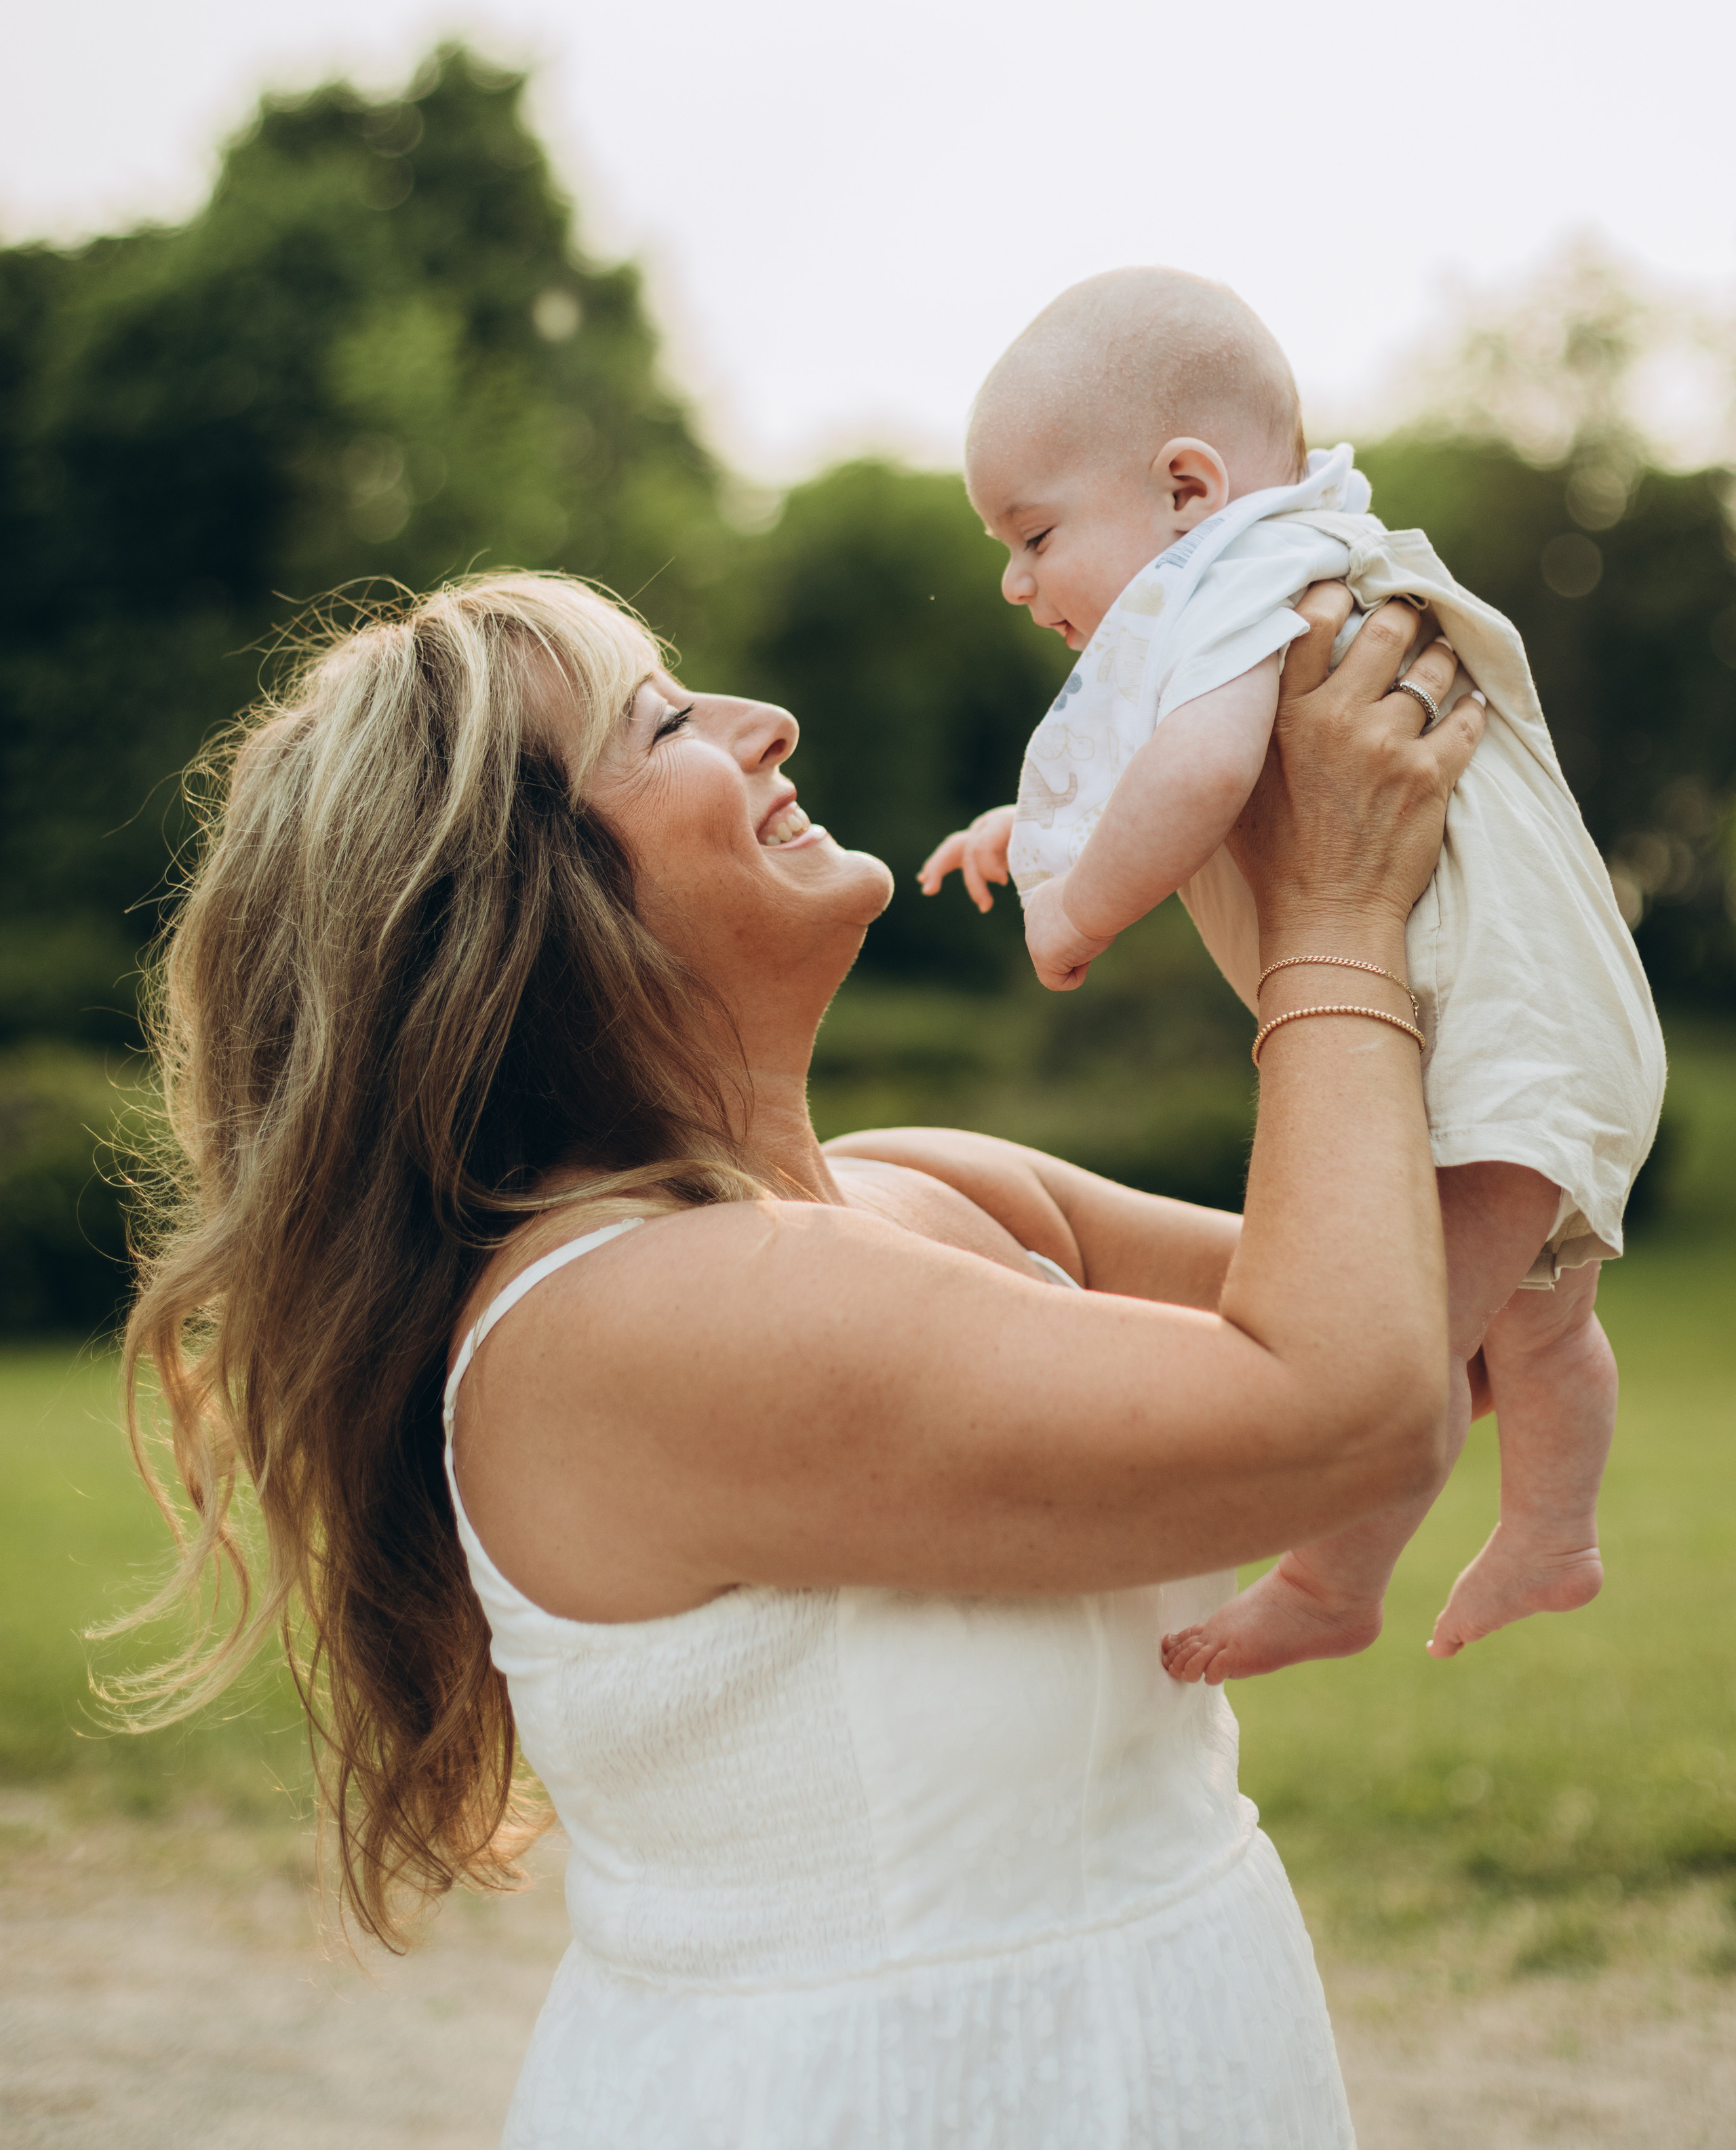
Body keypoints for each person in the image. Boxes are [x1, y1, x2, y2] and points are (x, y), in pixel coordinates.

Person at [118, 565, 1477, 2149]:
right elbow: (1350, 1409)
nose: (766, 727)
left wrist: (1276, 838)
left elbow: (1443, 1311)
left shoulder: (939, 1183)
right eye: (665, 724)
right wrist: (1330, 915)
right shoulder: (625, 1322)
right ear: (531, 905)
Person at [920, 267, 1665, 1685]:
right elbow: (1198, 760)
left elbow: (1197, 772)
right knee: (1537, 1316)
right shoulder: (1298, 565)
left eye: (1032, 534)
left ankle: (1333, 1576)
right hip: (1558, 1026)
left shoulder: (1240, 576)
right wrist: (1034, 829)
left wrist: (1074, 906)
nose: (1014, 581)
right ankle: (1552, 1533)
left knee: (1402, 1351)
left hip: (1489, 1033)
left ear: (1187, 487)